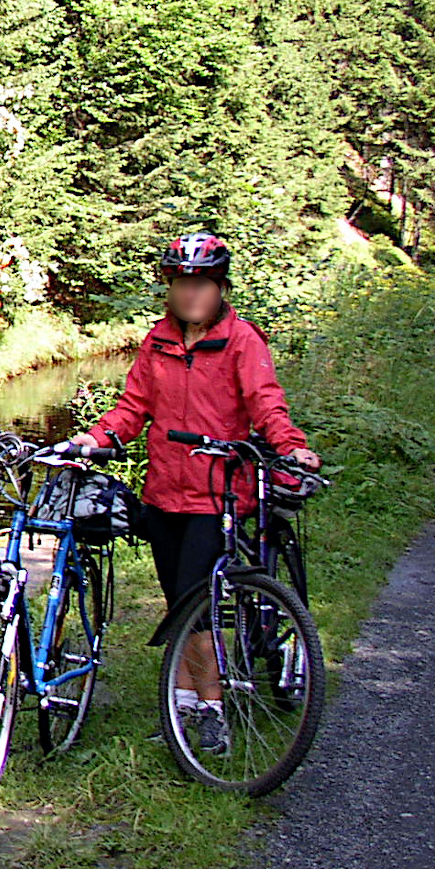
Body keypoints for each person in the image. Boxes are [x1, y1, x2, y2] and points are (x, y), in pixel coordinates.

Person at [63, 233, 320, 754]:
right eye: (182, 283)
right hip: (163, 493)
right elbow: (133, 408)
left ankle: (213, 712)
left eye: (201, 283)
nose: (191, 294)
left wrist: (291, 447)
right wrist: (95, 438)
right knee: (178, 603)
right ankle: (180, 709)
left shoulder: (242, 341)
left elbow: (267, 403)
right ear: (171, 287)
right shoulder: (157, 340)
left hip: (216, 496)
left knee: (196, 607)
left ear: (220, 287)